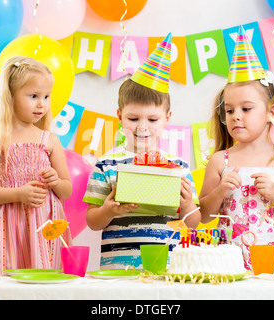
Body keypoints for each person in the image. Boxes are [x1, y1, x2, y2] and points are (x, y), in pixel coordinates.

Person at [83, 34, 201, 270]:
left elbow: (194, 224)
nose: (142, 127)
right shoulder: (107, 163)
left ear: (167, 118)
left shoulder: (178, 167)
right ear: (119, 116)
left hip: (168, 269)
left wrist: (187, 205)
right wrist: (108, 210)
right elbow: (92, 222)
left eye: (152, 119)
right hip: (118, 270)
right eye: (133, 118)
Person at [199, 26, 274, 269]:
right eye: (229, 110)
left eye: (246, 109)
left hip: (272, 258)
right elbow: (203, 216)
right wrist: (219, 192)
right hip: (227, 258)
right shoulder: (221, 161)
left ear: (270, 113)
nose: (236, 116)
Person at [0, 56, 72, 280]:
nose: (42, 104)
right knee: (12, 284)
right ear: (10, 97)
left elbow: (67, 190)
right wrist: (18, 194)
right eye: (33, 96)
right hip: (9, 228)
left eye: (46, 97)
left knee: (46, 285)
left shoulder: (49, 140)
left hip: (46, 227)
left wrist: (56, 181)